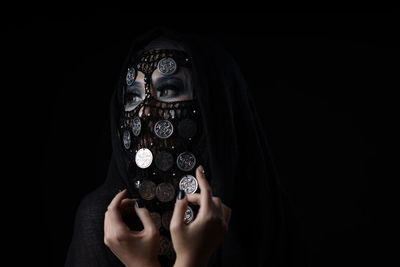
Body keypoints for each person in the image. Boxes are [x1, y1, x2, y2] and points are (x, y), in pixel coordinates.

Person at [65, 27, 303, 267]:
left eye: (168, 90)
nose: (144, 111)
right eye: (133, 97)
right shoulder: (106, 220)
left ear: (214, 103)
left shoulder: (266, 213)